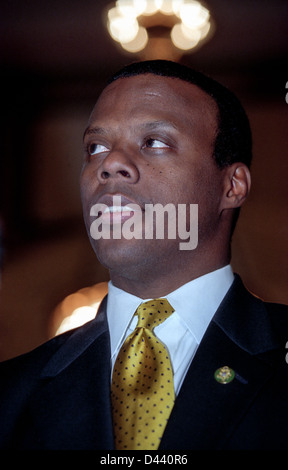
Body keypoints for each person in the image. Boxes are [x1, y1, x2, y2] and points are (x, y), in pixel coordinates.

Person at [0, 60, 287, 450]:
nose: (110, 163)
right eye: (95, 147)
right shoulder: (10, 393)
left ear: (232, 185)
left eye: (154, 142)